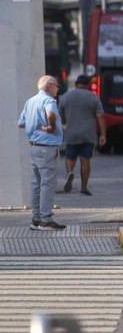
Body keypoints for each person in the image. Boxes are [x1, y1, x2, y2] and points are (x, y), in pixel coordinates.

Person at [16, 75, 66, 230]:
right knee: (47, 184)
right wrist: (50, 127)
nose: (58, 88)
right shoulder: (49, 100)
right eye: (57, 85)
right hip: (47, 147)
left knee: (36, 184)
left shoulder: (30, 101)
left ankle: (35, 219)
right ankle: (46, 220)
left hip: (34, 147)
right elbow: (51, 114)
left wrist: (35, 127)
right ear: (50, 86)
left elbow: (21, 123)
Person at [59, 74, 107, 196]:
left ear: (76, 84)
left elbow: (58, 113)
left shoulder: (66, 97)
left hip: (71, 132)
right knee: (85, 159)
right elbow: (100, 117)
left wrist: (62, 125)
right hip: (88, 134)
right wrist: (103, 134)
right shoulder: (93, 98)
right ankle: (84, 187)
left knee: (70, 157)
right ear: (88, 85)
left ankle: (70, 172)